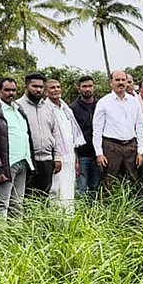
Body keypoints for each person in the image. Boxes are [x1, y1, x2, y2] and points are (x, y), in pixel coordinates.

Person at [0, 76, 33, 218]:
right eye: (7, 90)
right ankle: (2, 235)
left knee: (17, 202)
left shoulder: (18, 109)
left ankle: (17, 234)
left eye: (13, 90)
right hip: (6, 165)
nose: (11, 93)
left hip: (23, 161)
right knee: (2, 203)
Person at [93, 69, 143, 189]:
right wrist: (99, 153)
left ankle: (133, 206)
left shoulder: (134, 101)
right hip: (111, 147)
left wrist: (140, 151)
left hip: (131, 146)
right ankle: (107, 207)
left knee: (133, 180)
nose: (121, 82)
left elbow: (140, 126)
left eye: (123, 80)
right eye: (117, 80)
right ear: (111, 82)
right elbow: (97, 130)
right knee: (109, 181)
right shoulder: (103, 102)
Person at [16, 72, 65, 198]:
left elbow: (56, 132)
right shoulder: (18, 106)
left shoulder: (48, 107)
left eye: (41, 87)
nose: (38, 90)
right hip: (27, 161)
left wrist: (58, 157)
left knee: (44, 197)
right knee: (26, 197)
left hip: (47, 160)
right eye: (34, 86)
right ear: (26, 87)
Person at [47, 78, 85, 212]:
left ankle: (69, 220)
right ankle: (55, 221)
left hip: (70, 156)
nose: (56, 90)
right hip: (56, 157)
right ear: (46, 92)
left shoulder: (66, 109)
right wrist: (55, 157)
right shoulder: (46, 109)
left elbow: (72, 137)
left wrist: (76, 160)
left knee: (69, 189)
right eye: (52, 88)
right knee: (56, 190)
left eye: (58, 87)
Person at [70, 75, 101, 196]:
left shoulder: (101, 105)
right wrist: (75, 159)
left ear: (94, 87)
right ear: (79, 89)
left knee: (96, 189)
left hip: (98, 155)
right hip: (82, 155)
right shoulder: (72, 109)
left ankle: (95, 214)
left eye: (90, 86)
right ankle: (82, 214)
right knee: (81, 189)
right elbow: (71, 135)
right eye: (84, 86)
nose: (87, 89)